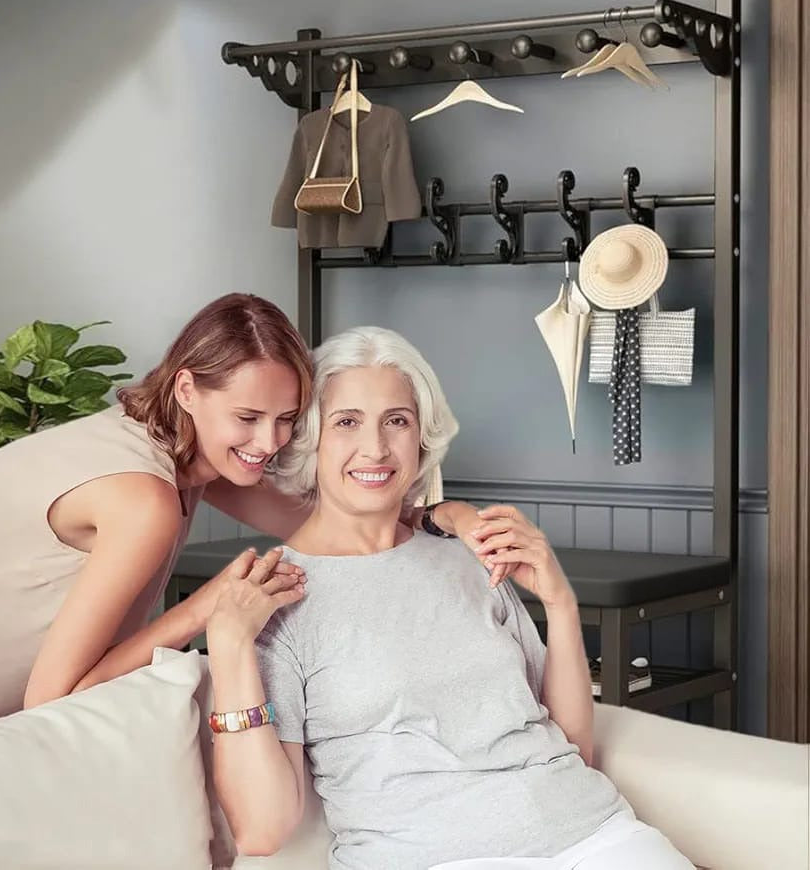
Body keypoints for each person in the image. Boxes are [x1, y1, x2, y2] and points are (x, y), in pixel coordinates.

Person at [206, 326, 695, 870]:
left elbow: (572, 746)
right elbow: (260, 831)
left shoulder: (468, 553)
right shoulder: (279, 600)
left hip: (593, 833)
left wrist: (560, 603)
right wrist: (228, 648)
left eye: (397, 420)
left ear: (421, 437)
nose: (376, 447)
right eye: (346, 422)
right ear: (310, 439)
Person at [0, 296, 496, 727]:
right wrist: (206, 606)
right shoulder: (143, 500)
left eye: (286, 419)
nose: (268, 443)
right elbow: (49, 703)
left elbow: (328, 522)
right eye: (247, 418)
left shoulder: (190, 453)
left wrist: (445, 516)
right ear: (187, 390)